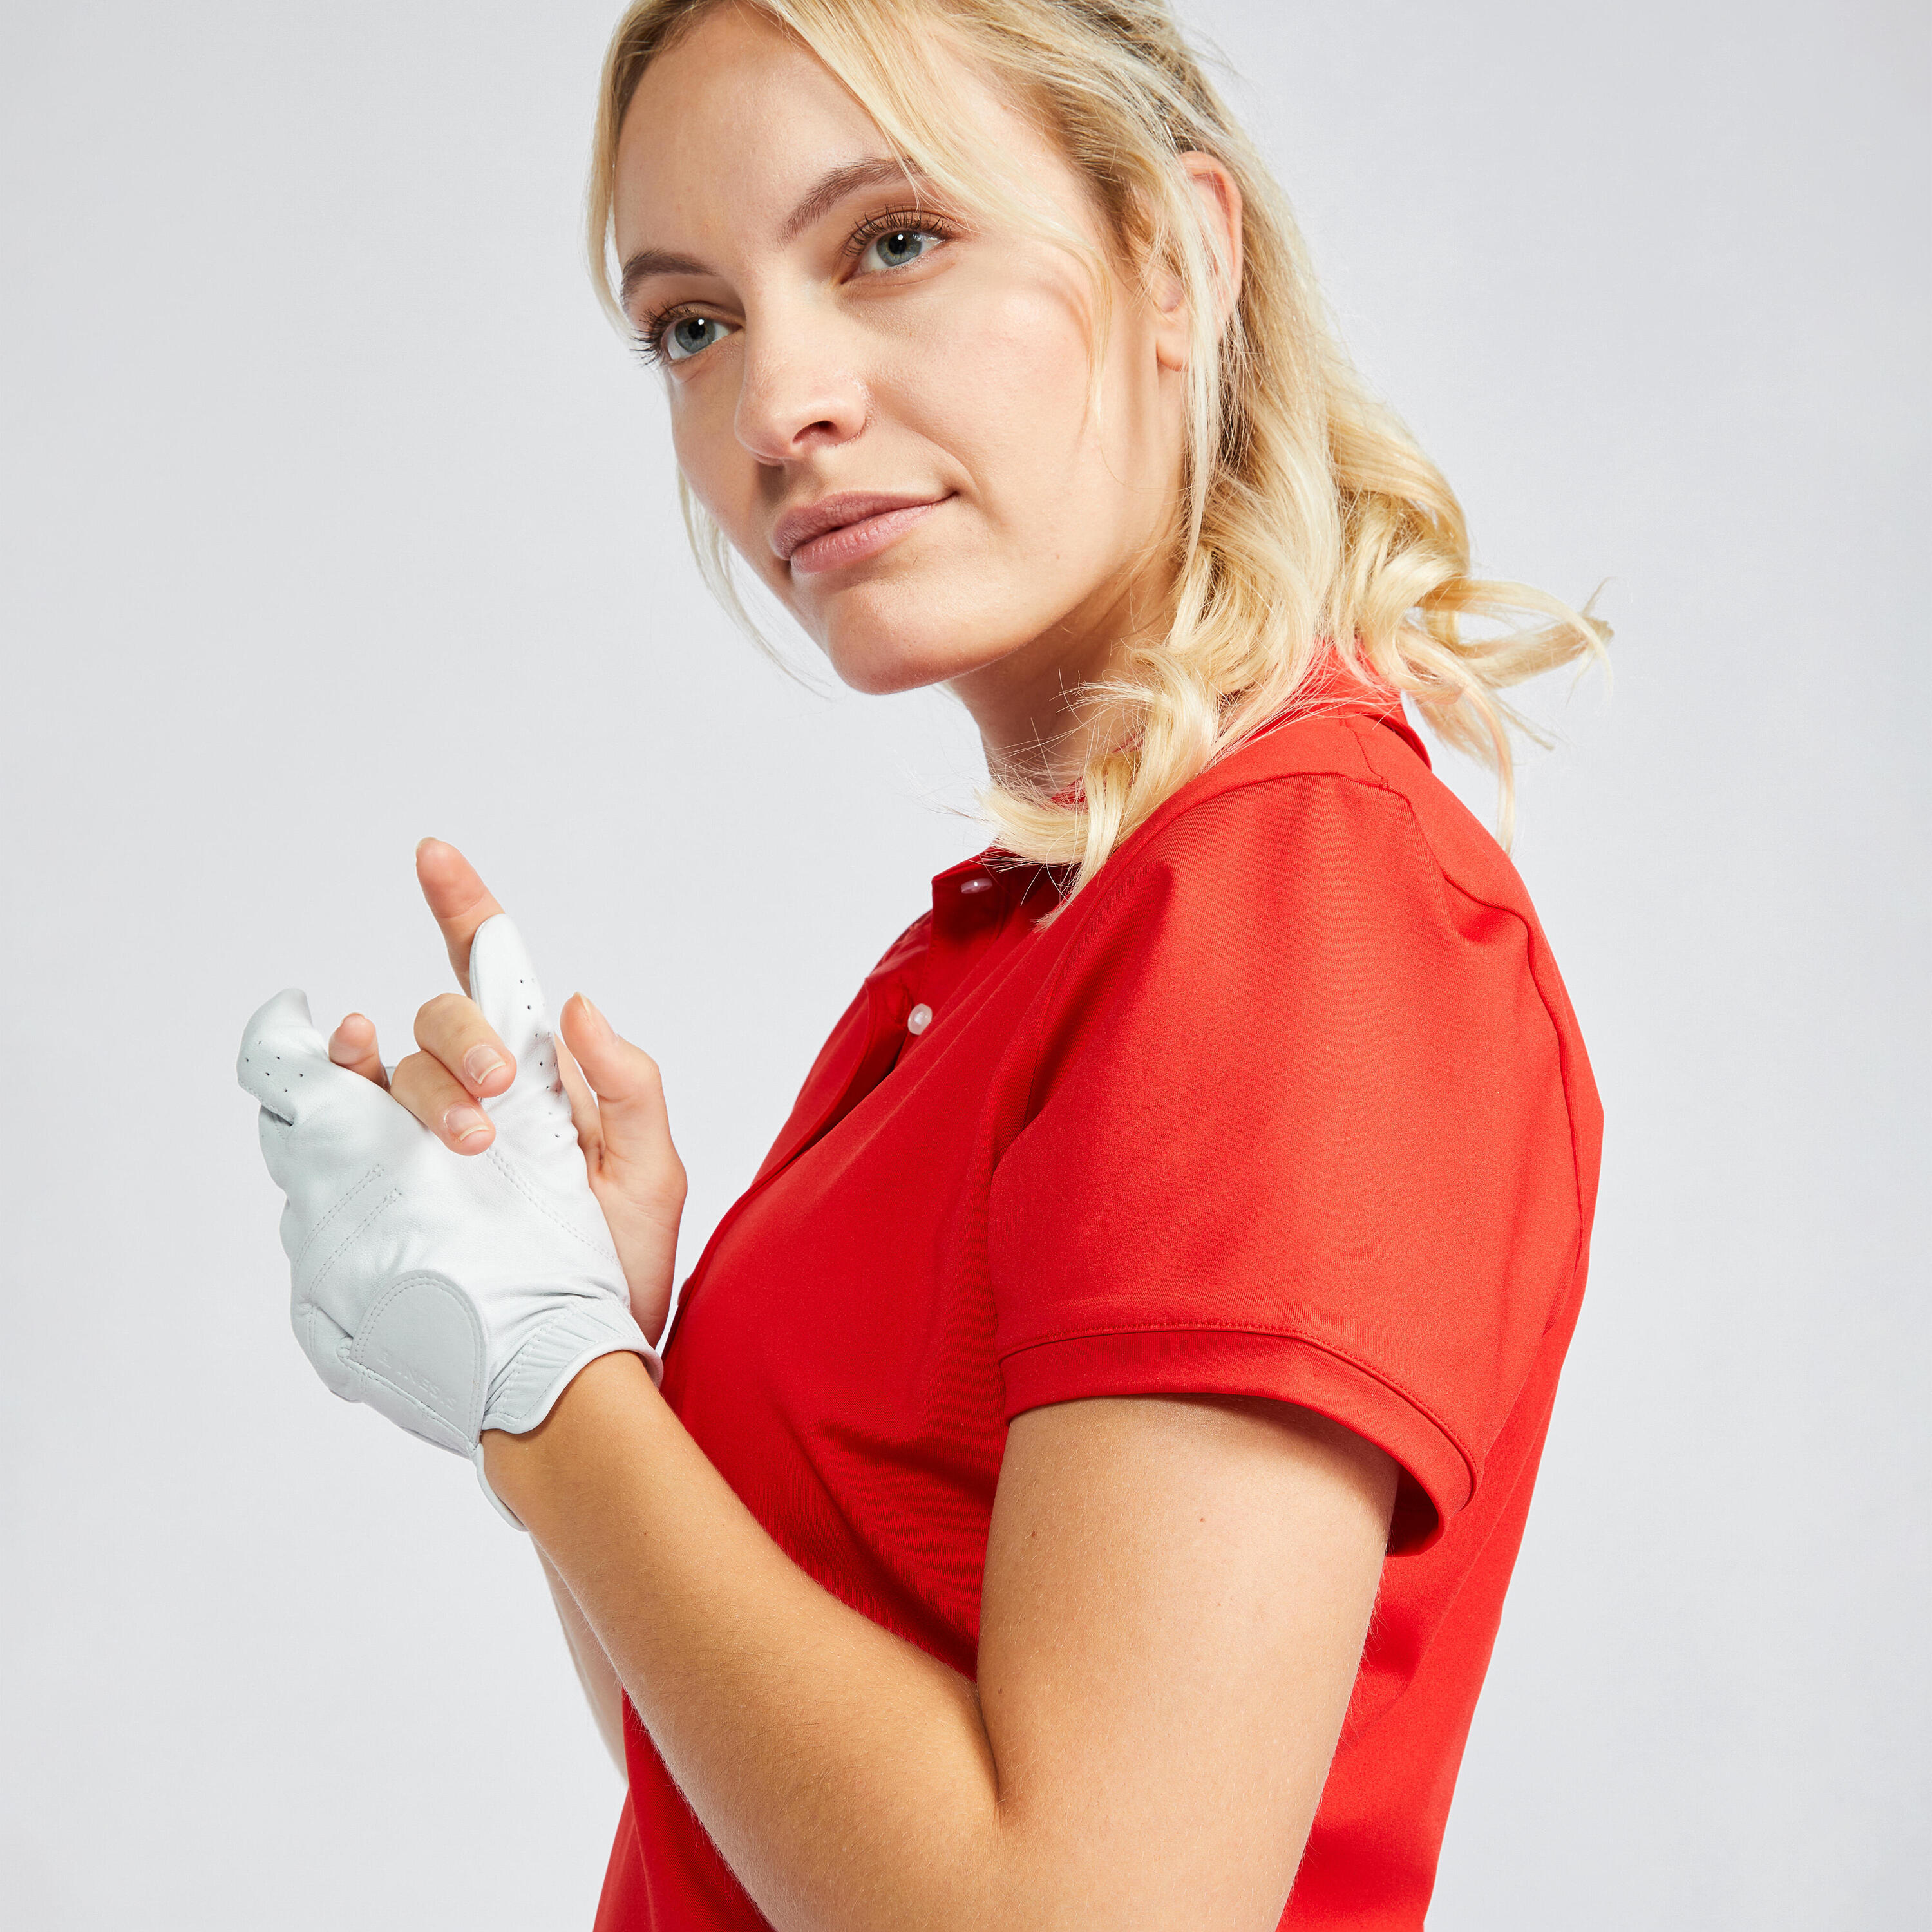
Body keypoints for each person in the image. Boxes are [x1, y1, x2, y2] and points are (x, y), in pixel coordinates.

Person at [240, 2, 1609, 1925]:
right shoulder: (1022, 941)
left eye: (891, 240)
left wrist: (548, 1393)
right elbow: (732, 1823)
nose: (774, 401)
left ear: (1178, 256)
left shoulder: (1299, 900)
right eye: (691, 324)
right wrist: (586, 1336)